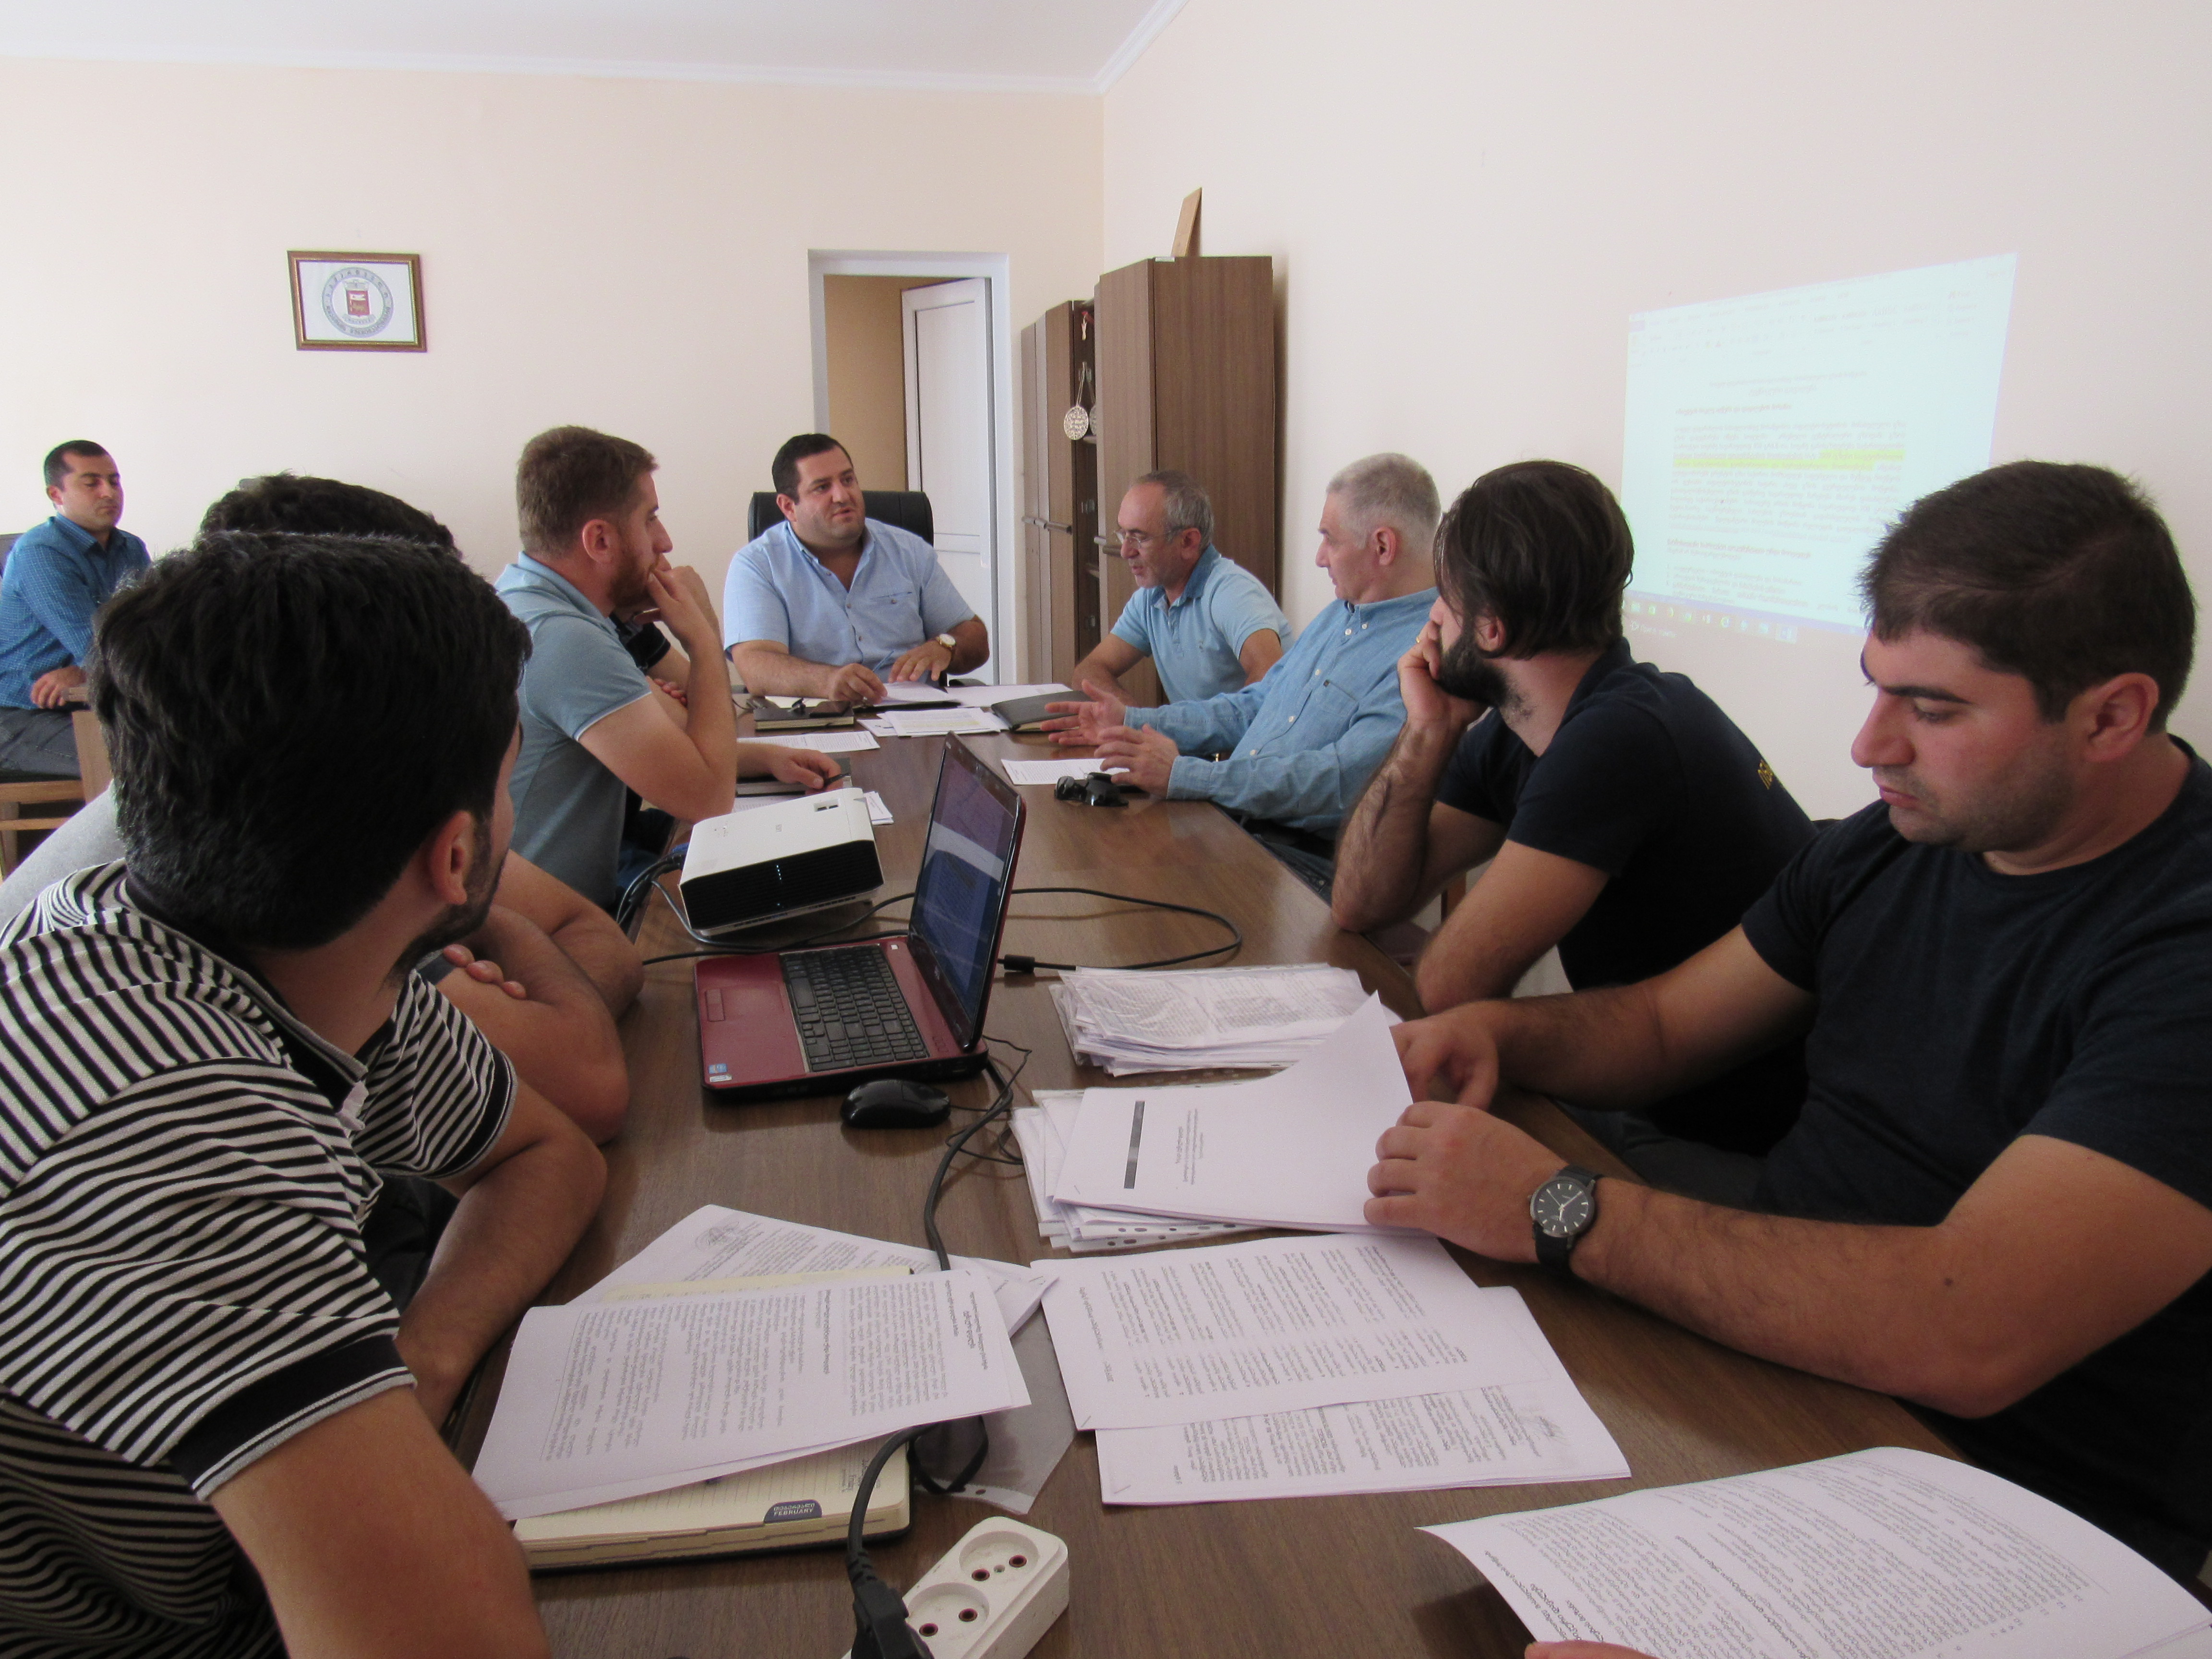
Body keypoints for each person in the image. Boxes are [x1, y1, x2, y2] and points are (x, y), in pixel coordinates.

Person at [1366, 461, 2212, 1581]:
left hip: (2011, 1515)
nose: (1870, 745)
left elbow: (1968, 1327)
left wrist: (1553, 1206)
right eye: (1876, 689)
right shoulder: (1892, 844)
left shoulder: (2180, 941)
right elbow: (1665, 1026)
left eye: (1932, 708)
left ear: (2112, 714)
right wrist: (1501, 1037)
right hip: (1780, 1373)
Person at [0, 531, 603, 1656]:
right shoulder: (161, 1117)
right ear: (458, 856)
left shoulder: (272, 950)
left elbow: (548, 1151)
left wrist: (421, 1359)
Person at [0, 472, 644, 1144]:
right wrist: (464, 943)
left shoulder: (277, 799)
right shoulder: (272, 875)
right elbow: (587, 1083)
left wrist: (470, 932)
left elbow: (594, 954)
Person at [1332, 461, 1815, 1187]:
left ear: (1491, 629)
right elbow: (1359, 902)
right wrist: (1428, 734)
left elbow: (1450, 985)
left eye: (1447, 602)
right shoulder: (1524, 726)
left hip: (1730, 1139)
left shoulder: (1620, 736)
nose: (1433, 620)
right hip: (1649, 1096)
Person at [1045, 453, 1439, 895]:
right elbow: (1254, 704)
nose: (1319, 558)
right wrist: (1132, 722)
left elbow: (1341, 781)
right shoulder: (1340, 615)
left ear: (1383, 546)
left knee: (1120, 887)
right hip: (1237, 821)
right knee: (1087, 858)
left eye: (1329, 539)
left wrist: (1188, 775)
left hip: (1298, 861)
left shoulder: (1423, 653)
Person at [499, 426, 839, 909]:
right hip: (550, 925)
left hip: (561, 903)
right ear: (600, 540)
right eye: (650, 519)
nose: (665, 541)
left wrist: (763, 757)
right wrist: (703, 640)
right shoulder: (564, 639)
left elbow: (680, 736)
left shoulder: (534, 604)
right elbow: (707, 799)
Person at [723, 433, 988, 699]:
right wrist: (828, 680)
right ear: (789, 507)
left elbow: (975, 637)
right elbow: (756, 665)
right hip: (821, 714)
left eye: (848, 480)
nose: (842, 496)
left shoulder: (909, 551)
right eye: (822, 488)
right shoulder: (758, 565)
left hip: (917, 711)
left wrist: (946, 647)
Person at [1069, 470, 1290, 704]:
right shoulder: (1150, 598)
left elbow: (1269, 681)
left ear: (1188, 542)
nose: (1125, 552)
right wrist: (1132, 718)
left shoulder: (1232, 592)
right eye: (1124, 535)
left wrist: (1149, 722)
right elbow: (1089, 672)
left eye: (1139, 538)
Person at [0, 441, 149, 775]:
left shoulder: (131, 547)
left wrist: (85, 671)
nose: (109, 493)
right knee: (144, 760)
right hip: (19, 715)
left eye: (114, 481)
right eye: (91, 483)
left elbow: (148, 635)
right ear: (56, 494)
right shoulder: (42, 553)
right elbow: (93, 647)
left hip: (87, 704)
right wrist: (90, 666)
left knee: (197, 737)